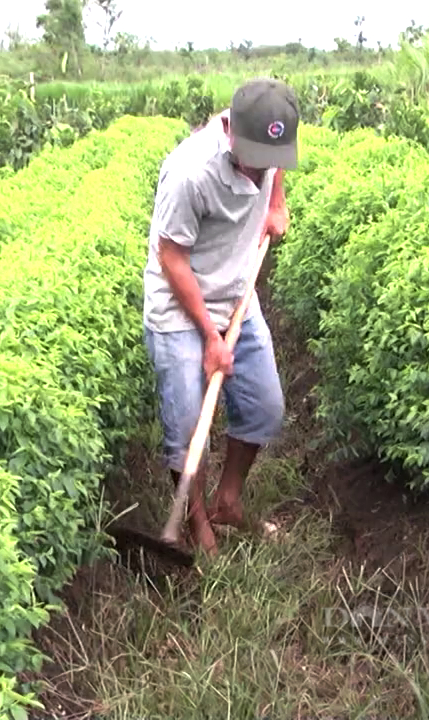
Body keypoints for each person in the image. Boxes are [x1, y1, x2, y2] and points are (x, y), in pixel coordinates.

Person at [142, 77, 298, 556]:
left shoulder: (268, 146)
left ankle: (227, 502)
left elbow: (277, 165)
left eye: (274, 157)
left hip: (235, 292)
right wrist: (211, 338)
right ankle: (194, 523)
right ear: (229, 130)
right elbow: (171, 258)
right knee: (190, 426)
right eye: (256, 157)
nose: (264, 168)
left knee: (265, 407)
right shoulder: (190, 172)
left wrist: (277, 203)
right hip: (179, 301)